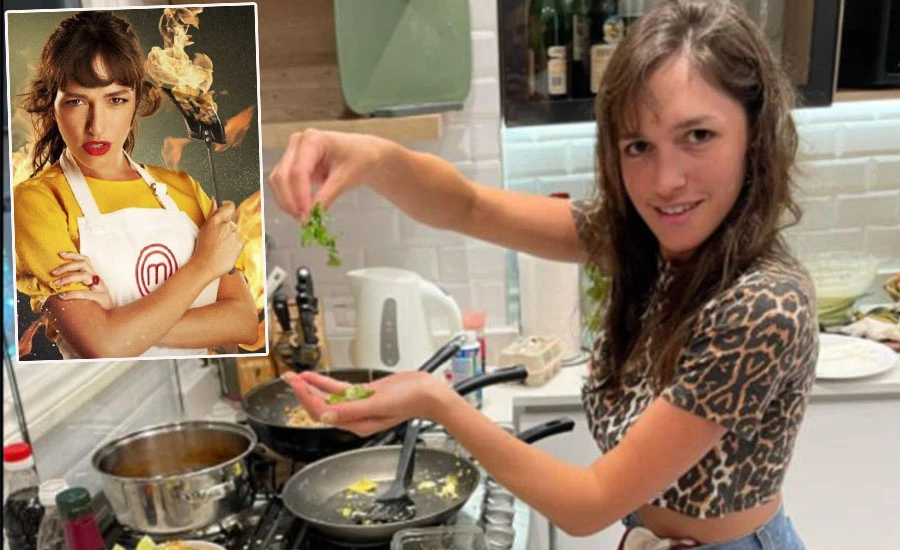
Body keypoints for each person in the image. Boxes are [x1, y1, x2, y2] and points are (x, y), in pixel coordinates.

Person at [270, 1, 816, 548]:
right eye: (639, 146)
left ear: (754, 133)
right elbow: (469, 207)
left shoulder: (763, 305)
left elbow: (589, 503)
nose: (665, 181)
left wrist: (437, 402)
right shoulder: (650, 244)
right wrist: (372, 156)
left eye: (697, 136)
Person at [13, 10, 258, 360]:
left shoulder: (185, 188)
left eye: (116, 99)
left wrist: (117, 317)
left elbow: (244, 323)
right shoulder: (36, 202)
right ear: (52, 105)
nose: (96, 126)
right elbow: (103, 346)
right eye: (77, 101)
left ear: (136, 101)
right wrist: (204, 265)